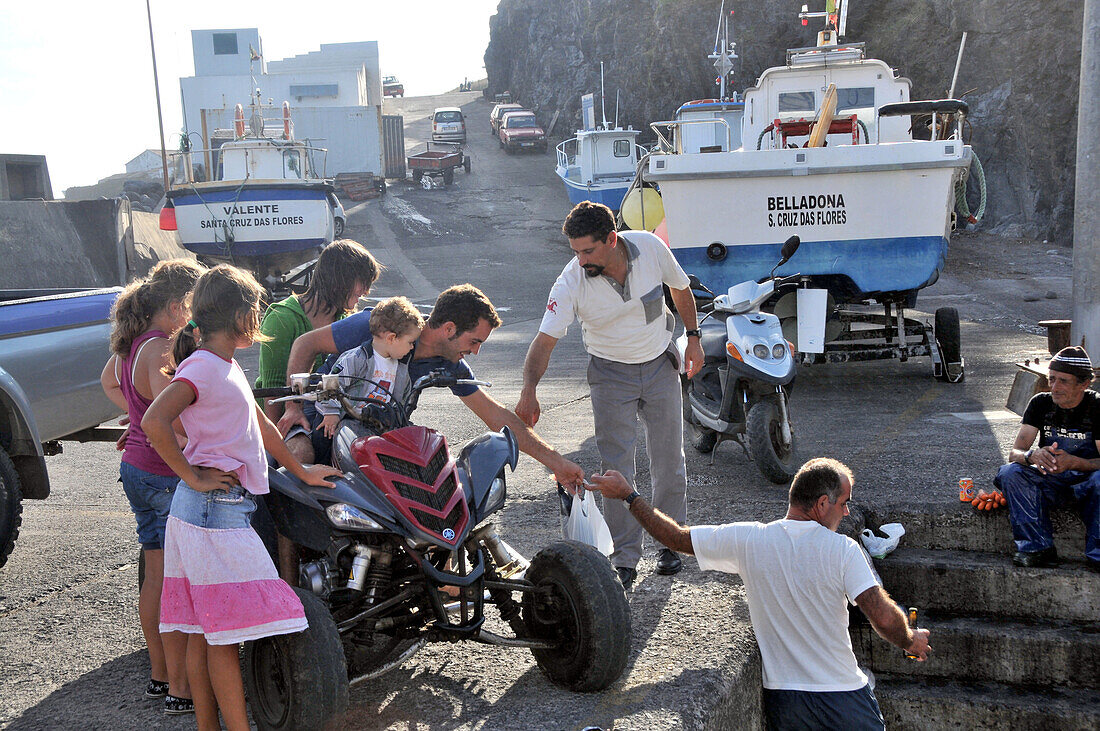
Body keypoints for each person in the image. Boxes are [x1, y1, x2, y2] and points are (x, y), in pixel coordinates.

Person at [587, 458, 931, 730]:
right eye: (844, 503)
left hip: (787, 702)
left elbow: (675, 536)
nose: (847, 512)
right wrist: (910, 640)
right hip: (842, 696)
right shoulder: (843, 550)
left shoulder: (751, 540)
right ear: (822, 503)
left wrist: (629, 497)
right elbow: (883, 617)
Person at [142, 265, 341, 731]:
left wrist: (300, 469)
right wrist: (191, 475)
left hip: (212, 512)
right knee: (224, 636)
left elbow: (262, 425)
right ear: (236, 315)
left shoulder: (223, 365)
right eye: (255, 307)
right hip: (213, 514)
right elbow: (154, 421)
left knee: (208, 634)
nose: (259, 315)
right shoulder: (205, 368)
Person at [517, 201, 704, 591]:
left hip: (659, 365)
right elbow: (544, 341)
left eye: (588, 251)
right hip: (610, 373)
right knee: (616, 466)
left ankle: (671, 542)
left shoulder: (651, 249)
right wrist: (529, 389)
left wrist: (695, 339)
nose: (581, 260)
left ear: (612, 239)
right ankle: (624, 558)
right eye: (575, 252)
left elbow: (681, 288)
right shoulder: (571, 281)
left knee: (670, 459)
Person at [278, 283, 585, 487]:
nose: (476, 351)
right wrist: (292, 407)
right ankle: (284, 580)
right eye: (474, 341)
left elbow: (497, 416)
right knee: (295, 465)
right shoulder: (385, 324)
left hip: (374, 434)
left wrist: (555, 461)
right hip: (321, 418)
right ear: (449, 329)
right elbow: (306, 344)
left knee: (436, 485)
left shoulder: (448, 363)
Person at [100, 258, 204, 714]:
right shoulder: (161, 347)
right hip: (163, 472)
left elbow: (109, 382)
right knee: (175, 579)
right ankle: (181, 687)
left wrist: (137, 417)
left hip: (135, 467)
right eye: (194, 305)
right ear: (179, 305)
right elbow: (178, 424)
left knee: (156, 573)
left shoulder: (130, 343)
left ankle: (160, 676)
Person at [256, 239, 381, 459]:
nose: (365, 291)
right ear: (339, 279)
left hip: (328, 413)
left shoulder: (346, 321)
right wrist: (275, 451)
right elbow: (273, 392)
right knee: (303, 453)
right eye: (361, 282)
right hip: (287, 413)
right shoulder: (282, 318)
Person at [995, 345, 1100, 569]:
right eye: (1052, 379)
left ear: (1084, 383)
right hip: (1052, 482)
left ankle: (1097, 552)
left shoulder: (1097, 406)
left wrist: (1075, 462)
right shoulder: (1041, 403)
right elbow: (1015, 453)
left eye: (1063, 381)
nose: (1054, 387)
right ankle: (1036, 547)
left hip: (1088, 484)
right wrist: (1033, 455)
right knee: (1010, 473)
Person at [317, 295, 424, 437]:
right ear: (391, 338)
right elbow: (331, 384)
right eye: (410, 342)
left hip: (379, 427)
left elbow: (401, 403)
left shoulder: (402, 369)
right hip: (347, 423)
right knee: (321, 437)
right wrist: (331, 412)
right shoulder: (357, 358)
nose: (412, 347)